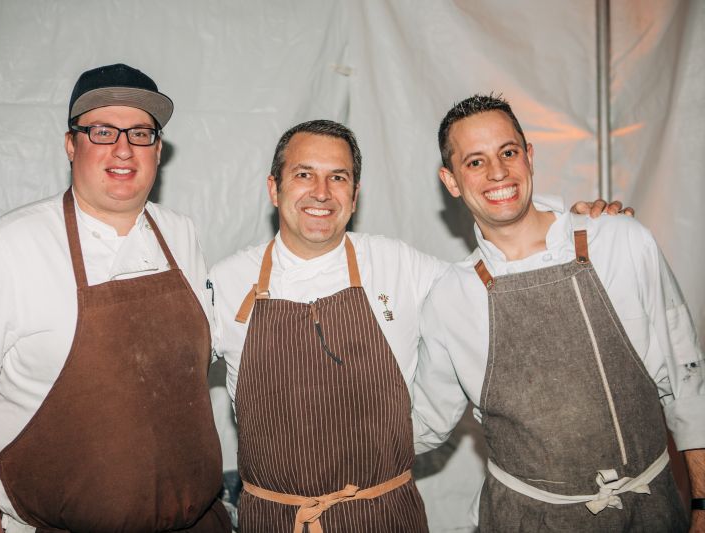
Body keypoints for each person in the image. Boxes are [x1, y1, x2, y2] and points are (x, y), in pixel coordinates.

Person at [208, 119, 620, 532]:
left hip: (387, 515)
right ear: (274, 189)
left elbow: (495, 280)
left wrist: (562, 229)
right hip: (276, 520)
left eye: (338, 177)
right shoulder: (224, 283)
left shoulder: (399, 264)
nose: (321, 192)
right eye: (304, 175)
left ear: (355, 195)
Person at [0, 64, 230, 533]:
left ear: (158, 150)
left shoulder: (180, 234)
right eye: (102, 131)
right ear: (70, 144)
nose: (123, 148)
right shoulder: (8, 248)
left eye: (140, 133)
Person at [413, 94, 705, 532]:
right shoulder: (450, 297)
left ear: (529, 157)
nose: (497, 172)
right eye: (475, 162)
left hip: (649, 512)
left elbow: (687, 381)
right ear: (451, 181)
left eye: (508, 152)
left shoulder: (620, 241)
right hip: (525, 519)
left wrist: (702, 503)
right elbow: (424, 423)